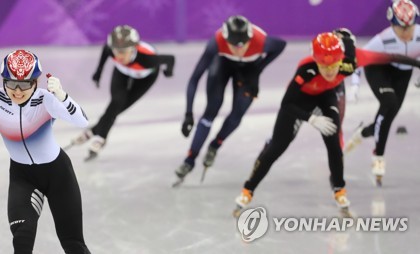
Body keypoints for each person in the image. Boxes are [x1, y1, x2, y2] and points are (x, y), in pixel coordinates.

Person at [234, 30, 420, 216]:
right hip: (298, 101)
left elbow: (392, 57)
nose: (330, 71)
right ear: (316, 61)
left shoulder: (353, 60)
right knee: (277, 147)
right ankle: (248, 190)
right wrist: (311, 118)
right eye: (324, 66)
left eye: (334, 65)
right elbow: (286, 103)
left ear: (342, 59)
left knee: (334, 143)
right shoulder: (306, 68)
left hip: (325, 97)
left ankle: (339, 189)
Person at [0, 50, 91, 254]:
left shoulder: (47, 100)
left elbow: (82, 121)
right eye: (12, 84)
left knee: (73, 243)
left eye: (25, 84)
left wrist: (63, 96)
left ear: (35, 83)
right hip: (23, 177)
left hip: (58, 175)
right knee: (22, 239)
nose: (18, 91)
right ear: (4, 81)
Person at [173, 15, 287, 186]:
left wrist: (258, 68)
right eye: (234, 46)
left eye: (243, 45)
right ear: (227, 40)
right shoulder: (216, 43)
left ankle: (215, 144)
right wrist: (188, 113)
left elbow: (281, 46)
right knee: (211, 110)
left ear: (250, 39)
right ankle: (190, 159)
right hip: (223, 65)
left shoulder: (261, 41)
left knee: (238, 112)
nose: (239, 50)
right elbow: (194, 79)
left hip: (249, 69)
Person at [69, 25, 175, 160]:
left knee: (119, 108)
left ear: (133, 49)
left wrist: (168, 71)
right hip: (122, 71)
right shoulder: (112, 51)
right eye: (116, 51)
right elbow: (106, 50)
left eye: (124, 52)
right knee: (116, 103)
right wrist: (98, 72)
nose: (119, 55)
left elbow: (170, 59)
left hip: (145, 77)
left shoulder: (148, 59)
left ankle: (93, 131)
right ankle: (101, 137)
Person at [345, 0, 420, 186]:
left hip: (403, 72)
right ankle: (378, 156)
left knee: (387, 117)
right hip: (378, 70)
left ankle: (363, 133)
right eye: (401, 28)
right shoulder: (382, 40)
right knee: (390, 103)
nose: (406, 33)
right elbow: (358, 59)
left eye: (409, 27)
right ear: (392, 24)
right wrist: (354, 85)